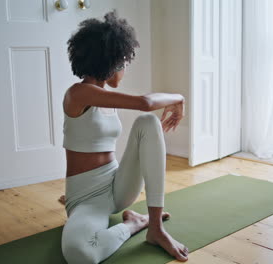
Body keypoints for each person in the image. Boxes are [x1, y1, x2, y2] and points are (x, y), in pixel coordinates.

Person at [60, 10, 188, 264]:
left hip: (118, 187)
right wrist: (179, 98)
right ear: (111, 62)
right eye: (124, 62)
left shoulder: (106, 96)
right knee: (80, 255)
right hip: (86, 199)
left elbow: (146, 110)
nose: (125, 69)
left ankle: (155, 227)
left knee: (148, 122)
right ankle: (135, 224)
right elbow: (145, 102)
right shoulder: (78, 94)